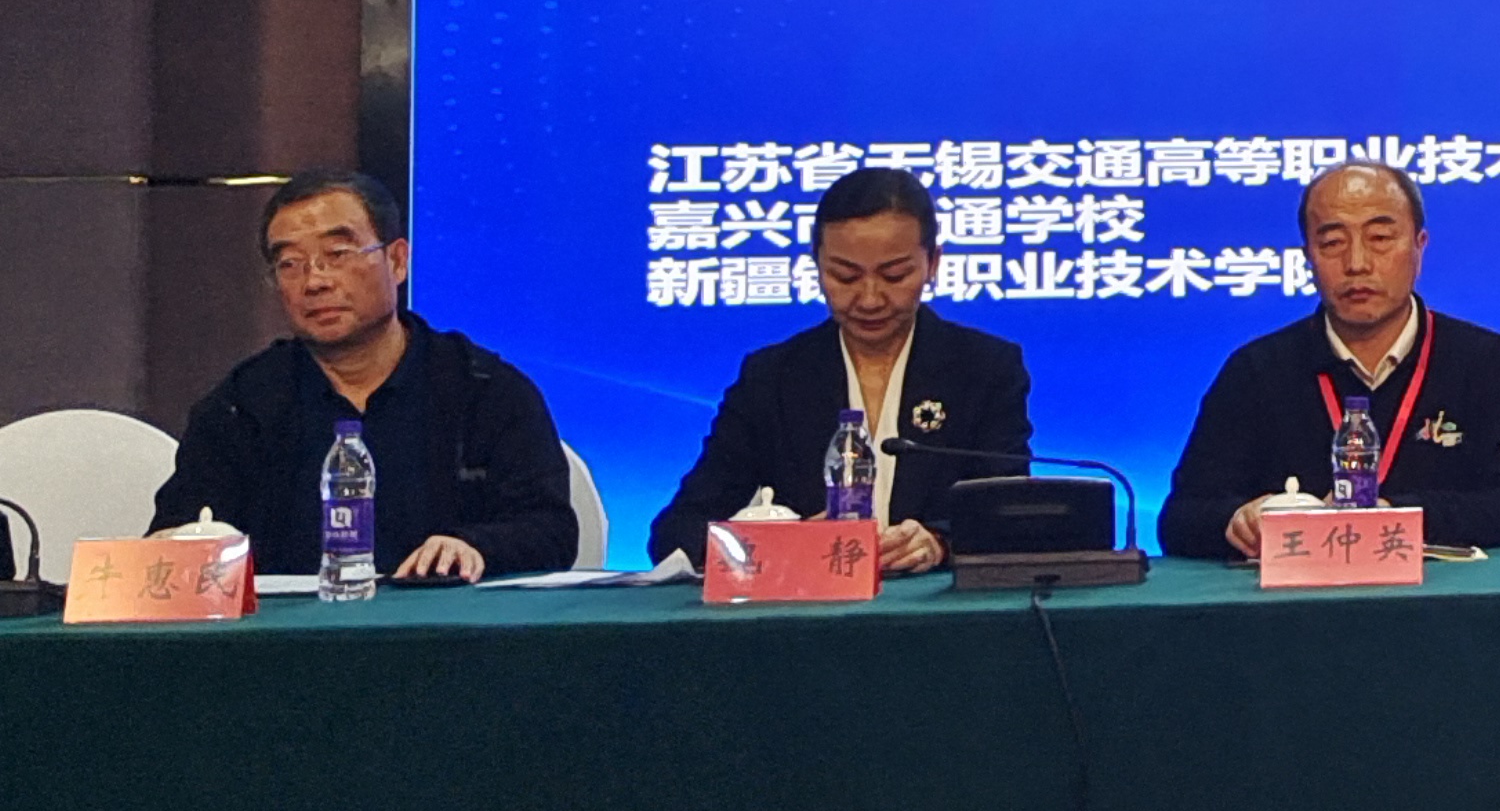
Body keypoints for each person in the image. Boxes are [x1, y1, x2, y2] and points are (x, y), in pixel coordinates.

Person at [148, 171, 575, 580]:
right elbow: (178, 534)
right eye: (290, 263)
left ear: (397, 260)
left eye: (337, 254)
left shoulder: (484, 391)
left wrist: (475, 547)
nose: (314, 281)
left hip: (449, 626)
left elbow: (550, 530)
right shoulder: (241, 407)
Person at [1160, 161, 1500, 556]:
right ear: (1308, 256)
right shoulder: (1256, 370)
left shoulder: (1485, 360)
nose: (1357, 263)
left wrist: (1395, 517)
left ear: (1419, 246)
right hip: (1301, 594)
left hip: (1444, 594)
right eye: (1332, 243)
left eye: (1380, 238)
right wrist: (1237, 520)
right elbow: (1181, 519)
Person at [646, 167, 1033, 571]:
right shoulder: (773, 378)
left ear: (933, 263)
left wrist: (940, 543)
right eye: (844, 276)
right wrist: (786, 544)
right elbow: (676, 533)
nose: (869, 299)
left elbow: (1007, 515)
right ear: (816, 264)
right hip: (808, 604)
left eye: (894, 275)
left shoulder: (985, 369)